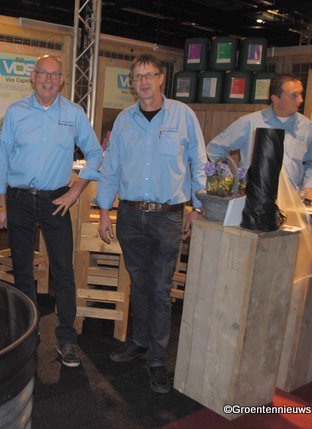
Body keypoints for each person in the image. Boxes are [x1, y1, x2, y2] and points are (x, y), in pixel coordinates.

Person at [96, 54, 207, 393]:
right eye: (137, 76)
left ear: (161, 78)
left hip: (168, 217)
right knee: (140, 284)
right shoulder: (124, 121)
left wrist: (198, 206)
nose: (143, 82)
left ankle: (158, 360)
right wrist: (104, 210)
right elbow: (111, 167)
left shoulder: (183, 116)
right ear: (132, 83)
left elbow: (199, 162)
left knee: (160, 290)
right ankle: (140, 342)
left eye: (150, 75)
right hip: (130, 216)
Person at [0, 54, 102, 368]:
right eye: (43, 74)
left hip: (57, 200)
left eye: (55, 75)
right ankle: (29, 334)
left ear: (63, 80)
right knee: (23, 269)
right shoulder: (16, 113)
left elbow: (96, 154)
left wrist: (75, 191)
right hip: (19, 199)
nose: (48, 80)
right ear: (33, 76)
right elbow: (2, 159)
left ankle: (67, 339)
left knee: (63, 270)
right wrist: (0, 203)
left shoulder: (73, 113)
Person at [207, 74, 312, 205]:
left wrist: (309, 187)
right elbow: (215, 148)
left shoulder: (306, 126)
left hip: (291, 203)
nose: (301, 100)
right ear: (275, 99)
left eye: (301, 94)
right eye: (294, 95)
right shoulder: (249, 122)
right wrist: (231, 180)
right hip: (252, 202)